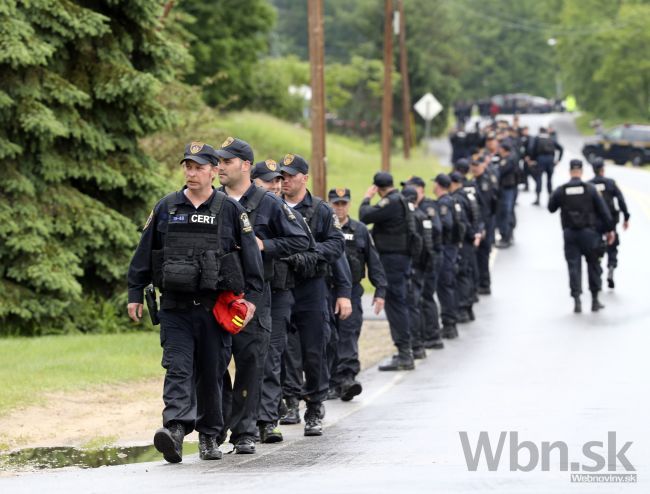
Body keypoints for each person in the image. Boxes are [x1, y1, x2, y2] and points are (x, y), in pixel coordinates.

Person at [126, 142, 264, 463]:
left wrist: (253, 297)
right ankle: (174, 428)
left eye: (199, 167)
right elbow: (145, 253)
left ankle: (209, 435)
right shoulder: (167, 207)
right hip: (175, 306)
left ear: (214, 171)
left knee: (212, 372)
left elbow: (251, 257)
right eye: (187, 166)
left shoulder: (230, 210)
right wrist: (135, 292)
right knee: (177, 367)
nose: (191, 173)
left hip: (215, 307)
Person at [215, 140, 310, 453]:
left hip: (255, 293)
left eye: (226, 161)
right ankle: (217, 427)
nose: (219, 167)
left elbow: (300, 239)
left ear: (244, 165)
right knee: (213, 364)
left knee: (251, 362)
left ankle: (246, 430)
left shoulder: (269, 203)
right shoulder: (212, 200)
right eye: (217, 162)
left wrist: (264, 246)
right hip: (215, 294)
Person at [280, 153, 345, 436]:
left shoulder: (320, 209)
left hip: (312, 288)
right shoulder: (272, 206)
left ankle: (315, 406)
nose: (285, 181)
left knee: (314, 350)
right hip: (282, 285)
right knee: (283, 349)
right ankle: (289, 401)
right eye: (282, 176)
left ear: (304, 178)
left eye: (291, 176)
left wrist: (310, 254)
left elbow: (336, 244)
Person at [327, 188, 387, 399]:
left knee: (349, 333)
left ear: (349, 205)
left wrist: (380, 290)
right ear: (329, 203)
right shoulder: (323, 227)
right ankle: (331, 380)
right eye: (336, 203)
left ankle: (347, 378)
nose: (339, 207)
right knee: (328, 336)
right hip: (328, 291)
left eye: (343, 203)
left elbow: (374, 261)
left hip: (351, 291)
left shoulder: (360, 230)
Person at [359, 172, 414, 371]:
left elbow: (364, 216)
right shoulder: (401, 199)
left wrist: (367, 197)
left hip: (392, 260)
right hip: (401, 258)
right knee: (400, 302)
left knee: (395, 303)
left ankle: (404, 353)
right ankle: (408, 350)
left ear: (378, 188)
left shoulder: (390, 202)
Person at [548, 159, 614, 313]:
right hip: (589, 234)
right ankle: (595, 300)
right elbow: (604, 212)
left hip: (570, 234)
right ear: (582, 171)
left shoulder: (562, 190)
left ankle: (577, 300)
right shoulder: (590, 189)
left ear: (570, 171)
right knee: (594, 266)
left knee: (573, 267)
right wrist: (610, 230)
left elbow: (551, 208)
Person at [402, 177, 444, 350]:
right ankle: (429, 334)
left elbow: (434, 232)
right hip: (427, 260)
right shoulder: (420, 211)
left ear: (420, 190)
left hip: (426, 261)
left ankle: (431, 336)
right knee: (423, 299)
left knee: (423, 298)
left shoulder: (426, 209)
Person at [588, 158, 630, 289]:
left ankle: (599, 267)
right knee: (613, 245)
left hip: (594, 222)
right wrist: (626, 217)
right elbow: (621, 200)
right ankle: (611, 266)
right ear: (602, 169)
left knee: (596, 246)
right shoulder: (610, 183)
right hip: (610, 220)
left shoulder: (589, 185)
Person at [450, 171, 482, 323]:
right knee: (467, 273)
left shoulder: (457, 199)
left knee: (462, 274)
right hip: (470, 240)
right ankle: (467, 307)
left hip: (464, 242)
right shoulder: (468, 195)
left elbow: (462, 222)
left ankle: (463, 308)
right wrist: (476, 233)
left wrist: (469, 235)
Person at [433, 173, 462, 339]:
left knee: (445, 287)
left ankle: (449, 325)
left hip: (446, 248)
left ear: (438, 185)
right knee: (448, 286)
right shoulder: (453, 200)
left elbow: (447, 224)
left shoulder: (444, 203)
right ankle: (450, 321)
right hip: (452, 247)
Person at [470, 158, 498, 295]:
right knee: (477, 255)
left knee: (483, 254)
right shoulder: (474, 181)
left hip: (485, 222)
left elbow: (487, 207)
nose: (474, 168)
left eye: (477, 166)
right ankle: (479, 282)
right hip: (481, 222)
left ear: (482, 166)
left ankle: (484, 284)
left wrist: (484, 227)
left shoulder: (485, 183)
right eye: (473, 166)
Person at [531, 127, 563, 205]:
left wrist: (533, 159)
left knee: (539, 179)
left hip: (540, 159)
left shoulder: (537, 139)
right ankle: (550, 197)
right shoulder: (551, 138)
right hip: (550, 159)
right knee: (549, 179)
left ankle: (538, 198)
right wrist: (558, 159)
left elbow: (532, 149)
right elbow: (561, 148)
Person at [495, 142, 518, 248]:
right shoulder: (508, 158)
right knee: (506, 212)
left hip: (507, 189)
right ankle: (507, 235)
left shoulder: (508, 160)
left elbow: (500, 171)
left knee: (505, 213)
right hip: (506, 189)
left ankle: (506, 237)